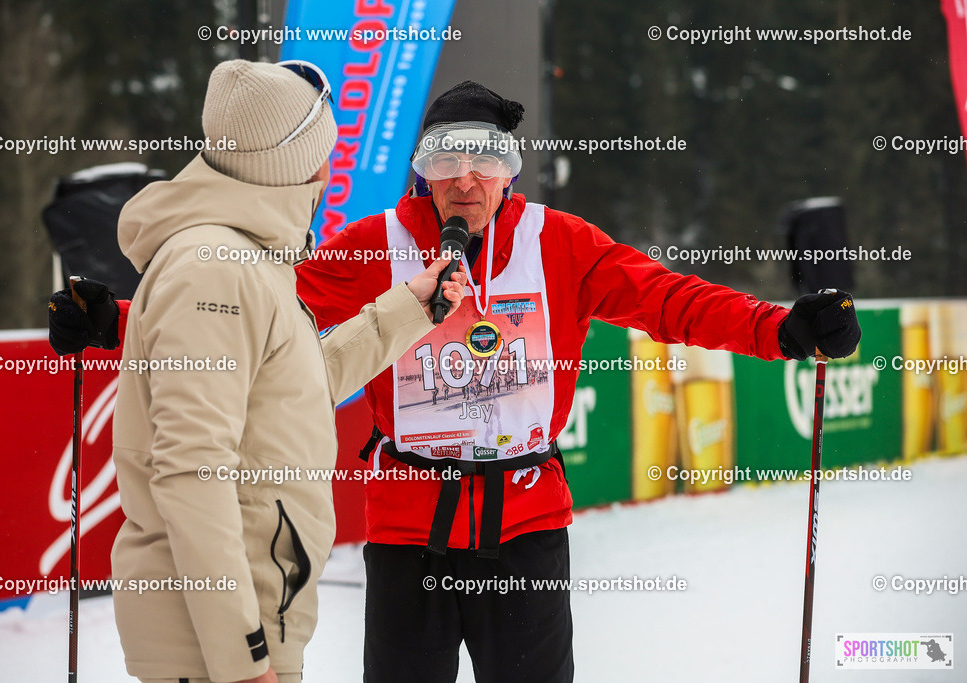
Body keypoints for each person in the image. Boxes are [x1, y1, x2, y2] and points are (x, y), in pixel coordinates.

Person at [50, 80, 861, 682]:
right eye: (445, 158)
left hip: (526, 527)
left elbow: (666, 299)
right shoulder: (376, 244)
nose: (465, 178)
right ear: (420, 173)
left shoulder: (561, 242)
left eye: (486, 159)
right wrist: (114, 322)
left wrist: (779, 328)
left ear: (511, 174)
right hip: (410, 530)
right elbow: (250, 327)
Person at [50, 59, 465, 683]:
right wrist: (242, 660)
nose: (330, 169)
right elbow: (192, 471)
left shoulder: (246, 258)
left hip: (248, 628)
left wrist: (412, 306)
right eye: (322, 150)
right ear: (290, 162)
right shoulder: (216, 268)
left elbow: (300, 389)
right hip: (217, 653)